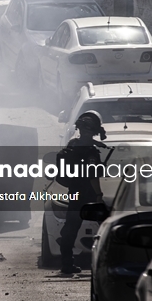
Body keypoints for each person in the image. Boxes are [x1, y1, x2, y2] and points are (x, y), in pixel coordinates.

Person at [57, 111, 106, 275]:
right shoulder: (91, 152)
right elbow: (93, 176)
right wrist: (99, 195)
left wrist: (96, 144)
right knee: (106, 228)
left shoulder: (72, 145)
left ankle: (66, 264)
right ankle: (109, 262)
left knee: (70, 229)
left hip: (74, 194)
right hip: (89, 195)